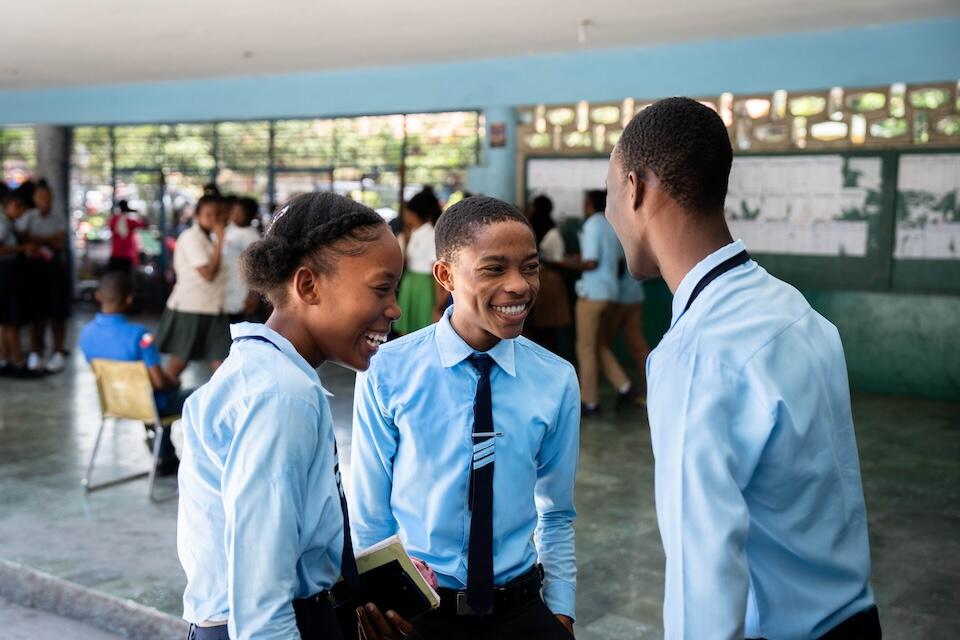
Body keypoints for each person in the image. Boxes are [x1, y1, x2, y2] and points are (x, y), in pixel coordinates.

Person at [604, 97, 879, 640]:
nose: (611, 213)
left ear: (635, 188)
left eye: (611, 193)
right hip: (854, 620)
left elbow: (701, 577)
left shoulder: (696, 354)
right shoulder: (795, 310)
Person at [177, 192, 412, 640]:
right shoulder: (282, 397)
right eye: (382, 288)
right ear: (308, 287)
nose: (395, 309)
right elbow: (262, 608)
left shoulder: (262, 372)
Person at [350, 196, 579, 640]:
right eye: (494, 268)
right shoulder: (388, 371)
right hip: (418, 613)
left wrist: (562, 611)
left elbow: (556, 512)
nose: (519, 285)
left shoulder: (556, 379)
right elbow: (371, 513)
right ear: (445, 275)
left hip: (521, 610)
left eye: (530, 267)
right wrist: (376, 606)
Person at [78, 272, 185, 474]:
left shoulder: (86, 333)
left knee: (156, 400)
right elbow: (159, 383)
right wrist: (174, 382)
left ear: (98, 296)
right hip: (148, 406)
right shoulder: (139, 335)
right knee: (196, 395)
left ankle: (164, 457)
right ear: (129, 299)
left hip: (114, 402)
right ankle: (166, 456)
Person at [561, 190, 633, 415]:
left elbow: (591, 263)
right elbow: (619, 262)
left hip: (592, 294)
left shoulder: (592, 224)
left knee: (585, 348)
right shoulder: (611, 225)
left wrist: (564, 264)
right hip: (610, 292)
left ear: (588, 203)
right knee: (598, 345)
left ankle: (590, 402)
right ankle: (625, 386)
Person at [156, 195, 231, 381]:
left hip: (213, 307)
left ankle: (229, 403)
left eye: (219, 214)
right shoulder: (191, 238)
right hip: (191, 307)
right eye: (209, 214)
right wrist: (221, 241)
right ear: (197, 215)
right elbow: (208, 274)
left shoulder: (209, 239)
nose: (215, 219)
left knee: (221, 360)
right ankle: (161, 399)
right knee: (179, 361)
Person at [19, 180, 71, 373]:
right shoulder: (29, 217)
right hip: (33, 271)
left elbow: (60, 242)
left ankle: (58, 352)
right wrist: (48, 240)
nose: (44, 201)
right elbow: (23, 238)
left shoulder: (58, 217)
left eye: (47, 197)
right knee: (36, 314)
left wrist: (37, 239)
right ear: (34, 198)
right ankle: (35, 352)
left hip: (54, 269)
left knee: (57, 313)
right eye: (40, 197)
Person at [394, 188, 446, 335]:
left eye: (408, 212)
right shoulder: (414, 232)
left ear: (414, 213)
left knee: (423, 331)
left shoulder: (430, 234)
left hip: (424, 286)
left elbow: (438, 273)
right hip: (410, 283)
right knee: (406, 331)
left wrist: (438, 305)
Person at [600, 258, 651, 405]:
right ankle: (651, 391)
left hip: (619, 297)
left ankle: (622, 388)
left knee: (599, 346)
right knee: (638, 345)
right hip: (636, 293)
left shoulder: (612, 236)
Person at [0, 191, 39, 378]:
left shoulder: (11, 224)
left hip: (10, 276)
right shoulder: (3, 225)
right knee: (11, 322)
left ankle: (6, 359)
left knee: (7, 322)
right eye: (16, 206)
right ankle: (18, 362)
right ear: (6, 206)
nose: (20, 210)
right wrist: (22, 248)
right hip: (6, 276)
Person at [525, 195, 571, 354]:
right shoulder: (530, 230)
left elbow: (558, 260)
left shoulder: (550, 232)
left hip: (548, 281)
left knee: (547, 327)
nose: (529, 209)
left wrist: (540, 258)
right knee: (537, 326)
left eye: (532, 206)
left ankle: (550, 357)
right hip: (541, 280)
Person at [222, 196, 262, 323]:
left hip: (241, 293)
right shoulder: (229, 229)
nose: (235, 215)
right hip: (225, 289)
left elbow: (257, 268)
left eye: (239, 212)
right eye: (234, 211)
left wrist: (253, 296)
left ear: (250, 215)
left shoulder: (251, 236)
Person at [107, 200, 147, 273]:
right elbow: (145, 225)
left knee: (114, 277)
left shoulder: (113, 220)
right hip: (126, 256)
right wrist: (138, 212)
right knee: (125, 280)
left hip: (115, 255)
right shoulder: (130, 222)